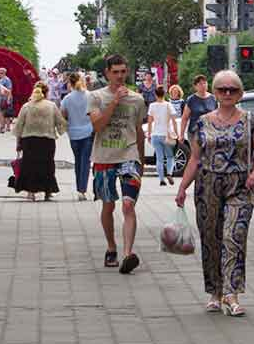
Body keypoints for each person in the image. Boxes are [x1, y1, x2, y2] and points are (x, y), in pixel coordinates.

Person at [175, 70, 254, 317]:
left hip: (240, 186)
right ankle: (215, 292)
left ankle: (232, 293)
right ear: (214, 92)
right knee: (211, 239)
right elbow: (195, 159)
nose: (227, 93)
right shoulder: (202, 122)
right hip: (208, 186)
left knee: (233, 236)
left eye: (232, 90)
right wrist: (182, 187)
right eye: (222, 89)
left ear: (240, 94)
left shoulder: (249, 120)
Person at [88, 54, 147, 275]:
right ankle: (111, 246)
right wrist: (114, 102)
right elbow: (97, 126)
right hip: (104, 158)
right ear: (107, 73)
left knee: (128, 205)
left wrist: (141, 160)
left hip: (129, 156)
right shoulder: (96, 97)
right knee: (108, 205)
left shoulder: (137, 100)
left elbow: (138, 131)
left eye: (123, 71)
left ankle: (127, 254)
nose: (120, 76)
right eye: (115, 72)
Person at [13, 81, 67, 201]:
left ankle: (31, 192)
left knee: (29, 165)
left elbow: (19, 126)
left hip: (29, 140)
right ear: (46, 92)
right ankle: (48, 192)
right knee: (47, 165)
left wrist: (18, 143)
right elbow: (60, 122)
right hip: (47, 140)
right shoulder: (51, 106)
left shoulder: (26, 106)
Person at [61, 73, 94, 201]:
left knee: (78, 161)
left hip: (73, 133)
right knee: (85, 162)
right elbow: (95, 113)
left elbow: (63, 115)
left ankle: (79, 187)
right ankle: (82, 190)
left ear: (70, 83)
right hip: (88, 132)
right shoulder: (90, 96)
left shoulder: (67, 98)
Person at [147, 85, 178, 186]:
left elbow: (150, 122)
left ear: (155, 95)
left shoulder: (152, 106)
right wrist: (176, 133)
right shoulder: (168, 105)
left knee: (159, 158)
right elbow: (174, 121)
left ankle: (161, 180)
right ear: (164, 94)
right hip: (166, 135)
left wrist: (149, 134)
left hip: (155, 135)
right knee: (170, 156)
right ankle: (169, 173)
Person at [177, 74, 217, 144]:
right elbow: (185, 118)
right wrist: (182, 134)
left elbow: (218, 116)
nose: (203, 85)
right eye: (200, 84)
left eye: (205, 83)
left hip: (210, 133)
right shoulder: (191, 99)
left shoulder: (213, 98)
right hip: (195, 133)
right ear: (195, 86)